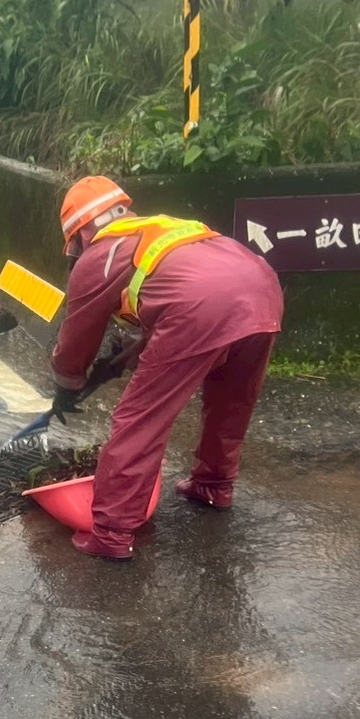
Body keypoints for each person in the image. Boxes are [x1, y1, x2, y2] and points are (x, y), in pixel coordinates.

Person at [50, 176, 284, 561]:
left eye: (75, 243)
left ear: (82, 232)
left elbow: (77, 338)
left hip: (202, 306)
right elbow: (176, 294)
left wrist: (67, 383)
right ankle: (213, 485)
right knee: (231, 399)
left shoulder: (99, 254)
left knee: (140, 416)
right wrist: (123, 359)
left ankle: (111, 533)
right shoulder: (159, 230)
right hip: (261, 288)